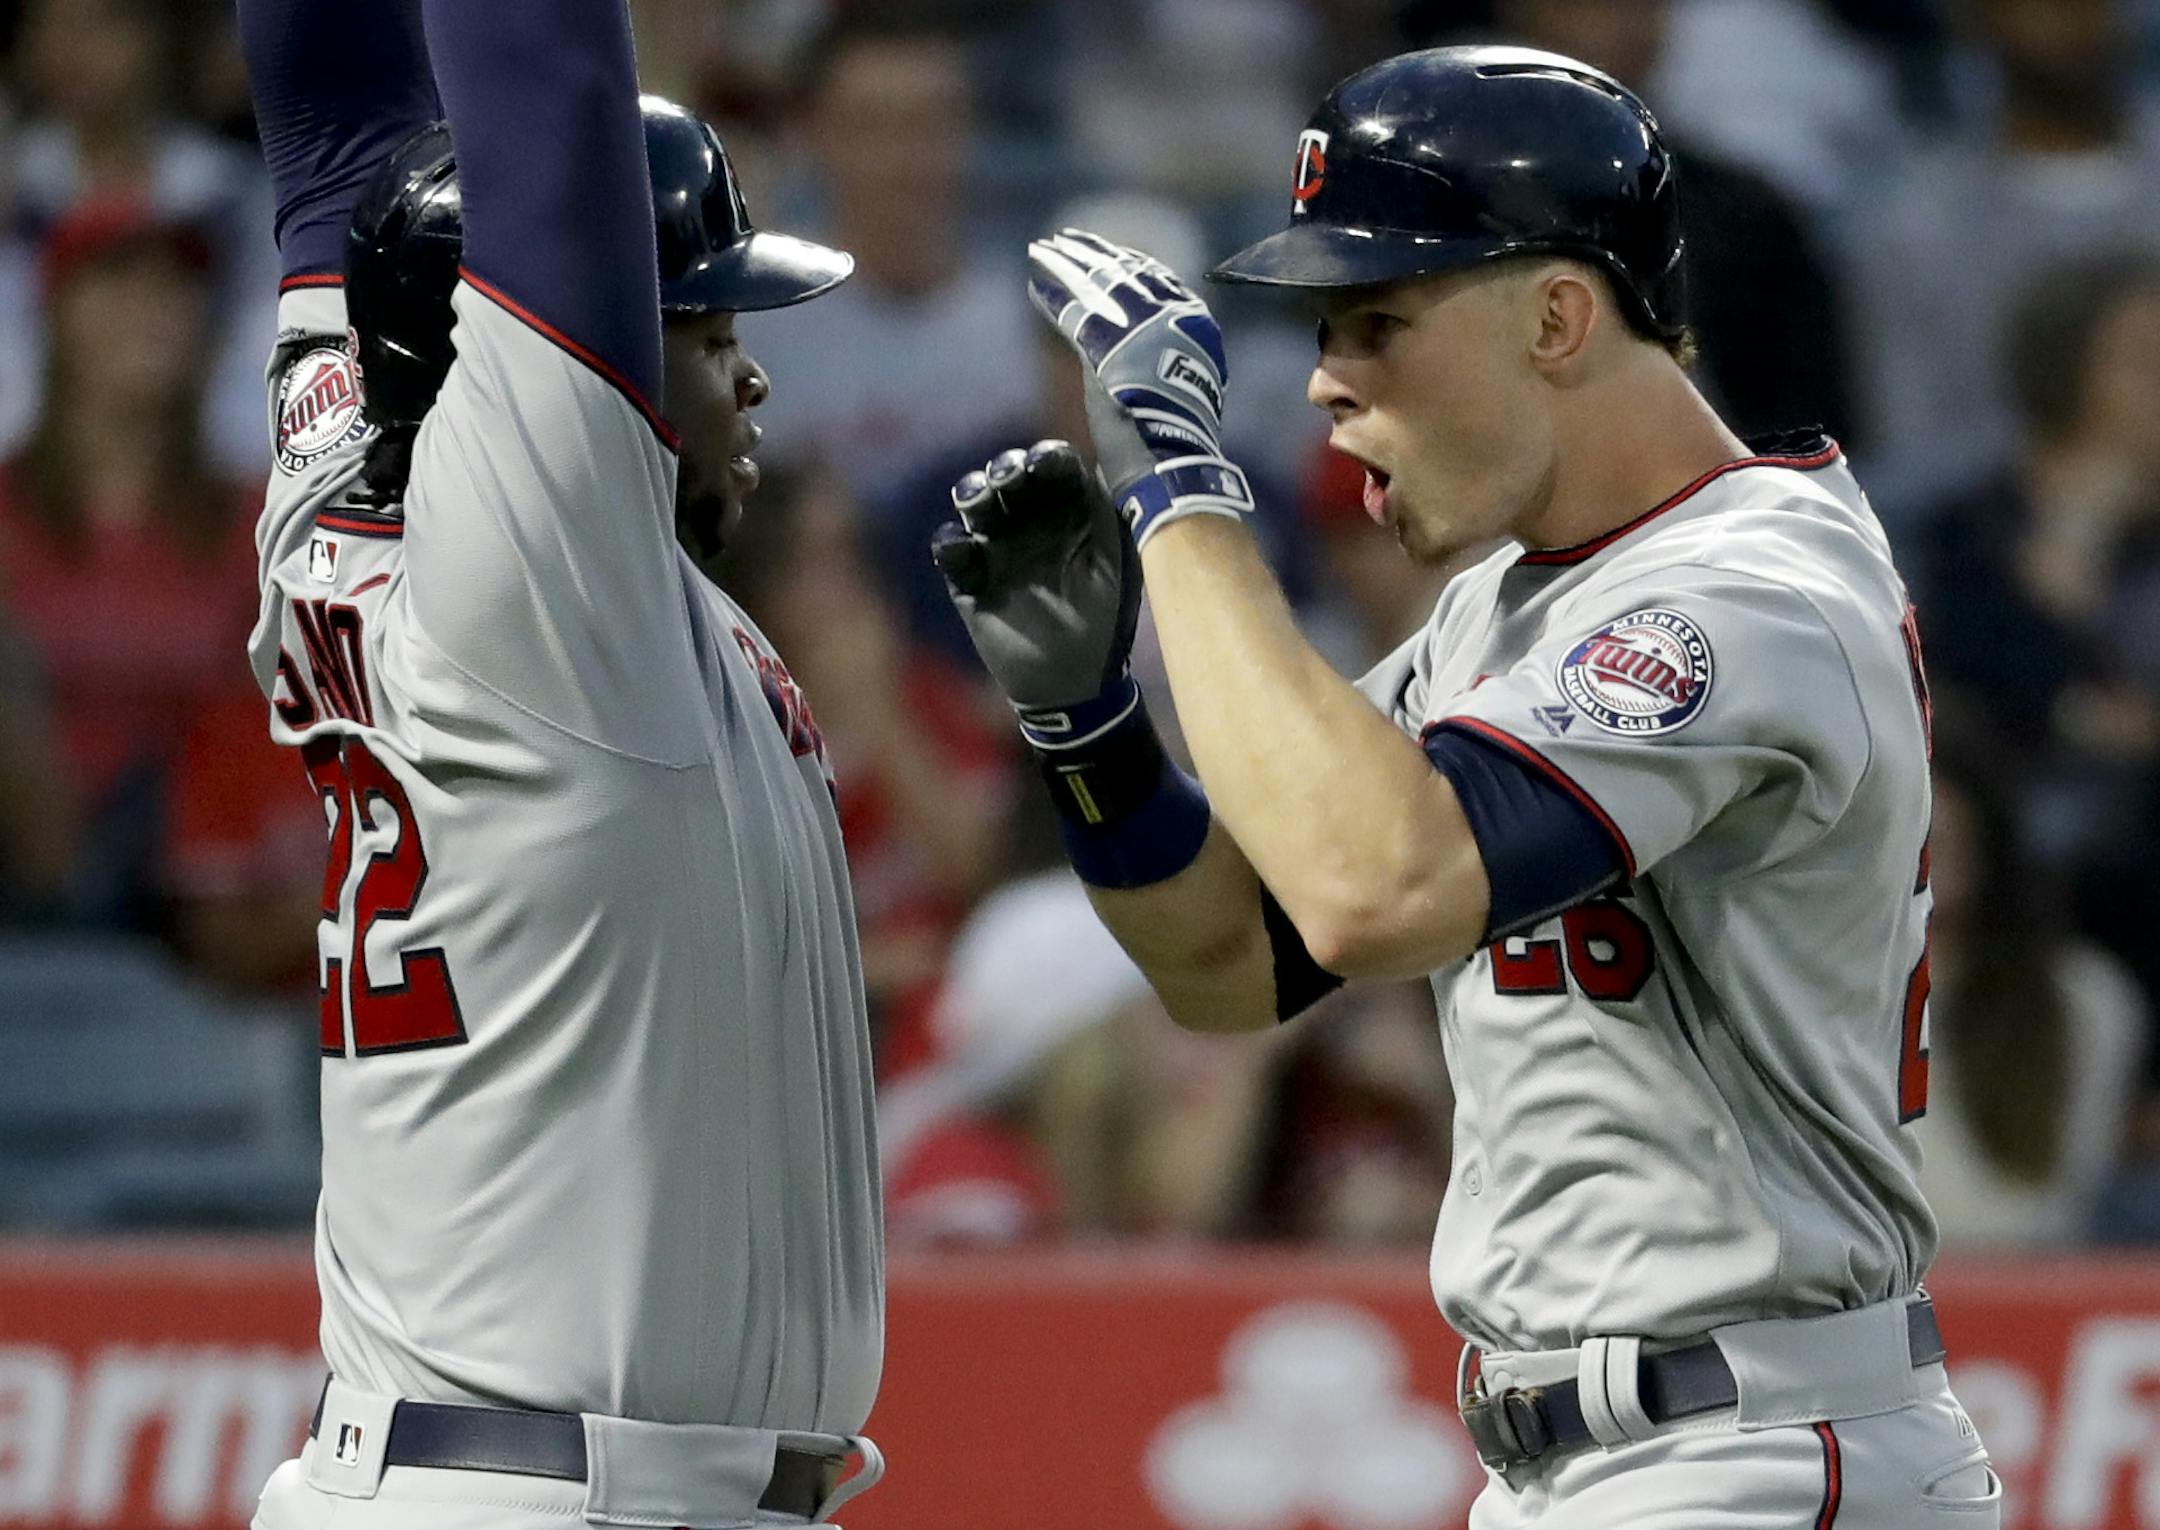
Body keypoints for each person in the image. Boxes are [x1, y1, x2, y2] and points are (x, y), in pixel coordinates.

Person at [935, 45, 1997, 1528]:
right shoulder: (1508, 603)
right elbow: (1236, 958)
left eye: (1379, 320)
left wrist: (1182, 493)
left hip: (1754, 1439)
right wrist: (1088, 726)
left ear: (1558, 315)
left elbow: (1382, 889)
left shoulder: (1752, 585)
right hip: (1598, 1451)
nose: (1323, 378)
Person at [236, 1, 883, 1526]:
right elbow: (549, 78)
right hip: (542, 1491)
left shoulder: (346, 490)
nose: (752, 377)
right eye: (710, 330)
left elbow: (333, 125)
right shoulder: (544, 569)